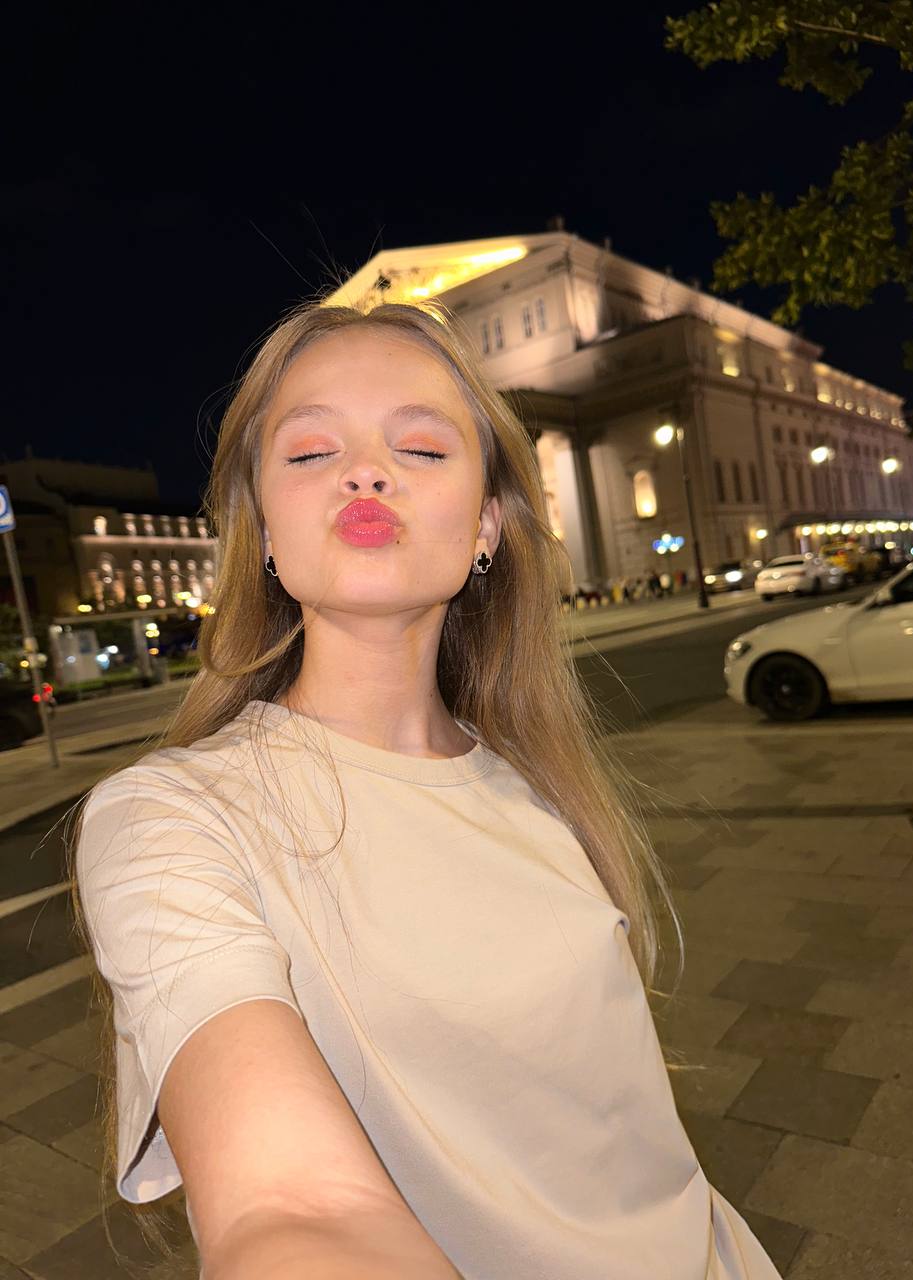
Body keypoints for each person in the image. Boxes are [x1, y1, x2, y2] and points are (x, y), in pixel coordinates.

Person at [70, 300, 781, 1280]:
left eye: (421, 448)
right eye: (311, 451)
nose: (366, 472)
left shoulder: (541, 789)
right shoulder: (172, 819)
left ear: (487, 524)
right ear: (265, 530)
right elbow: (292, 1208)